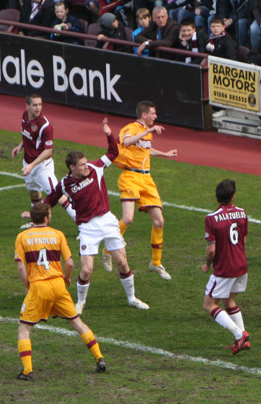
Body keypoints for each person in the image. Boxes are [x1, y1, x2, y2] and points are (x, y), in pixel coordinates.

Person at [46, 118, 148, 313]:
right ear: (72, 168)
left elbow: (114, 152)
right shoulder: (65, 184)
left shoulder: (96, 167)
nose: (86, 167)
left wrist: (109, 134)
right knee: (86, 269)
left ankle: (132, 298)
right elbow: (49, 200)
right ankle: (81, 302)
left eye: (86, 163)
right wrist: (36, 214)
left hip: (107, 221)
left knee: (122, 263)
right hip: (87, 227)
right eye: (82, 165)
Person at [14, 202, 107, 381]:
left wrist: (27, 285)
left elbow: (20, 267)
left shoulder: (22, 237)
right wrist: (67, 277)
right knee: (77, 323)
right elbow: (70, 262)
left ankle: (27, 371)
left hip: (38, 286)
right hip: (58, 284)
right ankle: (99, 357)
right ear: (47, 218)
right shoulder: (58, 234)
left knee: (24, 329)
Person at [100, 101, 179, 281]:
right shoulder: (132, 128)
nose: (156, 116)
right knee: (128, 218)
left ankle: (156, 263)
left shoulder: (146, 133)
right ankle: (107, 250)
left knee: (159, 221)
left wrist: (165, 154)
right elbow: (127, 142)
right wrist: (148, 132)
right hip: (130, 177)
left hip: (147, 179)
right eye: (153, 113)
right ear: (144, 115)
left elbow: (145, 150)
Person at [202, 179, 250, 355]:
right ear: (233, 196)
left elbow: (211, 250)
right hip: (241, 265)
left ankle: (239, 334)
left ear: (217, 197)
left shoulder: (211, 218)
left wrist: (207, 265)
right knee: (229, 301)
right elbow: (243, 239)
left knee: (209, 304)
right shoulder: (242, 213)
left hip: (224, 268)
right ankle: (244, 341)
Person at [12, 93, 76, 225]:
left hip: (42, 167)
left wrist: (32, 165)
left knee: (58, 195)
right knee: (34, 193)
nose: (38, 108)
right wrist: (20, 146)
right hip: (28, 164)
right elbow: (28, 134)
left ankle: (81, 222)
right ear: (27, 106)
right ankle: (36, 221)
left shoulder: (45, 126)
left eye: (40, 104)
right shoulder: (25, 115)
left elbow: (48, 151)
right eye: (35, 105)